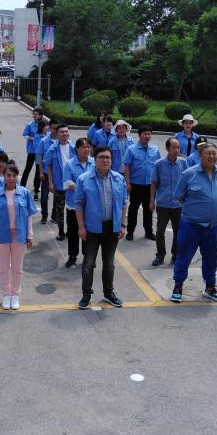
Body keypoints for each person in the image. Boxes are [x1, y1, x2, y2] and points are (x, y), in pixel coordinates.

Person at [170, 142, 217, 303]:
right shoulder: (189, 174)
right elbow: (179, 196)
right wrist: (195, 209)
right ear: (200, 156)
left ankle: (210, 287)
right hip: (191, 225)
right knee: (184, 257)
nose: (212, 156)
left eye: (214, 153)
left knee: (211, 258)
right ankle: (178, 286)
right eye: (208, 153)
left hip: (213, 227)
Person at [74, 146, 128, 309]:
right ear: (95, 159)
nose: (105, 160)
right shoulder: (84, 179)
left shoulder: (119, 178)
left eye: (108, 157)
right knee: (89, 263)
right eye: (101, 157)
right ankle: (86, 294)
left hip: (112, 227)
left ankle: (108, 293)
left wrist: (122, 225)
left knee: (109, 263)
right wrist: (81, 227)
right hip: (92, 228)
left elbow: (124, 203)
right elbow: (79, 204)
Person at [0, 162, 37, 310]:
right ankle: (6, 295)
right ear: (4, 176)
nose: (11, 178)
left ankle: (14, 294)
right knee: (3, 267)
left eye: (14, 175)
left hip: (19, 235)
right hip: (1, 235)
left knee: (17, 267)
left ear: (17, 177)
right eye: (8, 175)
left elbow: (29, 216)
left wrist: (30, 235)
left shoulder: (24, 193)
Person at [149, 137, 188, 266]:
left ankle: (175, 256)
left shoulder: (183, 163)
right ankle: (160, 255)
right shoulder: (159, 164)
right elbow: (154, 183)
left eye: (178, 147)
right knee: (160, 231)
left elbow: (188, 182)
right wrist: (152, 200)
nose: (176, 150)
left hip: (178, 205)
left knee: (179, 231)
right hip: (163, 204)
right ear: (167, 149)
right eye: (173, 147)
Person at [123, 125, 161, 241]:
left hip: (150, 185)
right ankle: (130, 232)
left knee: (149, 209)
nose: (147, 136)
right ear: (139, 135)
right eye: (145, 134)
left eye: (149, 134)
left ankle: (148, 232)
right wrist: (128, 183)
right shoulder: (131, 149)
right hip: (135, 185)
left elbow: (159, 166)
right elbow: (127, 167)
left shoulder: (155, 149)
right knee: (133, 209)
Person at [62, 137, 94, 268]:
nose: (86, 149)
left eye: (88, 147)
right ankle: (72, 257)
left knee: (89, 233)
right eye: (83, 147)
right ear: (77, 149)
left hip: (90, 206)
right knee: (73, 232)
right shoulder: (70, 164)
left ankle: (88, 257)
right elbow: (67, 183)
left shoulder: (94, 163)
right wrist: (84, 188)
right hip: (73, 205)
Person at [44, 123, 76, 241]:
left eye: (66, 131)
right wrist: (50, 182)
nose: (65, 134)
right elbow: (48, 165)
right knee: (60, 210)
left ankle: (70, 231)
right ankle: (61, 232)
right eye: (62, 132)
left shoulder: (74, 147)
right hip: (59, 185)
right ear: (57, 134)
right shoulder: (52, 149)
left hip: (72, 185)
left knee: (71, 209)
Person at [36, 116, 58, 223]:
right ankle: (44, 215)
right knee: (44, 196)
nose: (56, 130)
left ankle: (54, 215)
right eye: (54, 128)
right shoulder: (43, 141)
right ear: (49, 128)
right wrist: (40, 171)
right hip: (45, 173)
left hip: (57, 174)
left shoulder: (61, 141)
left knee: (57, 197)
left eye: (57, 128)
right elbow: (40, 157)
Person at [20, 107, 44, 195]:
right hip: (32, 150)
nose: (34, 116)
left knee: (38, 170)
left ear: (41, 115)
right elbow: (25, 134)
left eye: (36, 114)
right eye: (33, 114)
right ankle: (22, 184)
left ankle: (36, 187)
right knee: (28, 168)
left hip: (40, 152)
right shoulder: (29, 125)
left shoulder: (44, 125)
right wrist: (33, 138)